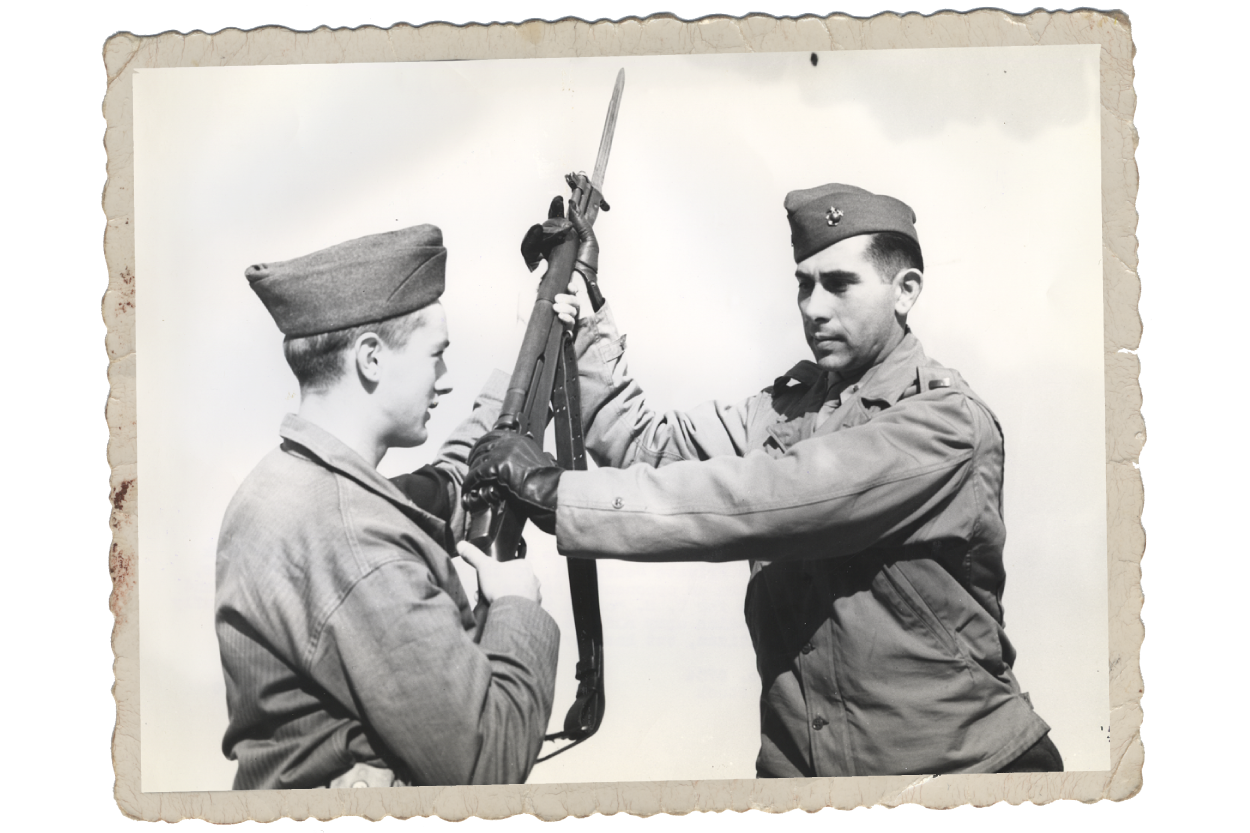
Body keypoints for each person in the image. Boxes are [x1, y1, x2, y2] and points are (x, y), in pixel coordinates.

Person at [465, 183, 1065, 777]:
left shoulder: (945, 421)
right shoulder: (785, 412)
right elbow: (647, 446)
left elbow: (775, 498)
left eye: (839, 284)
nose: (814, 308)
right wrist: (587, 309)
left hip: (966, 776)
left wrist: (552, 491)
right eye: (804, 285)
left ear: (905, 290)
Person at [215, 223, 574, 789]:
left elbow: (447, 481)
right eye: (436, 356)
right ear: (371, 359)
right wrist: (516, 605)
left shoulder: (286, 482)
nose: (444, 380)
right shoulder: (357, 539)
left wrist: (529, 367)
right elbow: (486, 766)